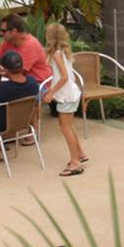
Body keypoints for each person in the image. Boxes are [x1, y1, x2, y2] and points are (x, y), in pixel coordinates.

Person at [41, 22, 88, 177]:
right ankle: (80, 153)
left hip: (67, 95)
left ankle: (75, 162)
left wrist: (51, 93)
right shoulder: (63, 52)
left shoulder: (56, 54)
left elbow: (64, 77)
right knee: (67, 125)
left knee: (65, 127)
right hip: (71, 93)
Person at [0, 15, 52, 87]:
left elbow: (16, 74)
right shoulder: (9, 42)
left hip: (38, 84)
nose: (1, 33)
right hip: (22, 82)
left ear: (14, 31)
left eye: (3, 31)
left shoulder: (30, 45)